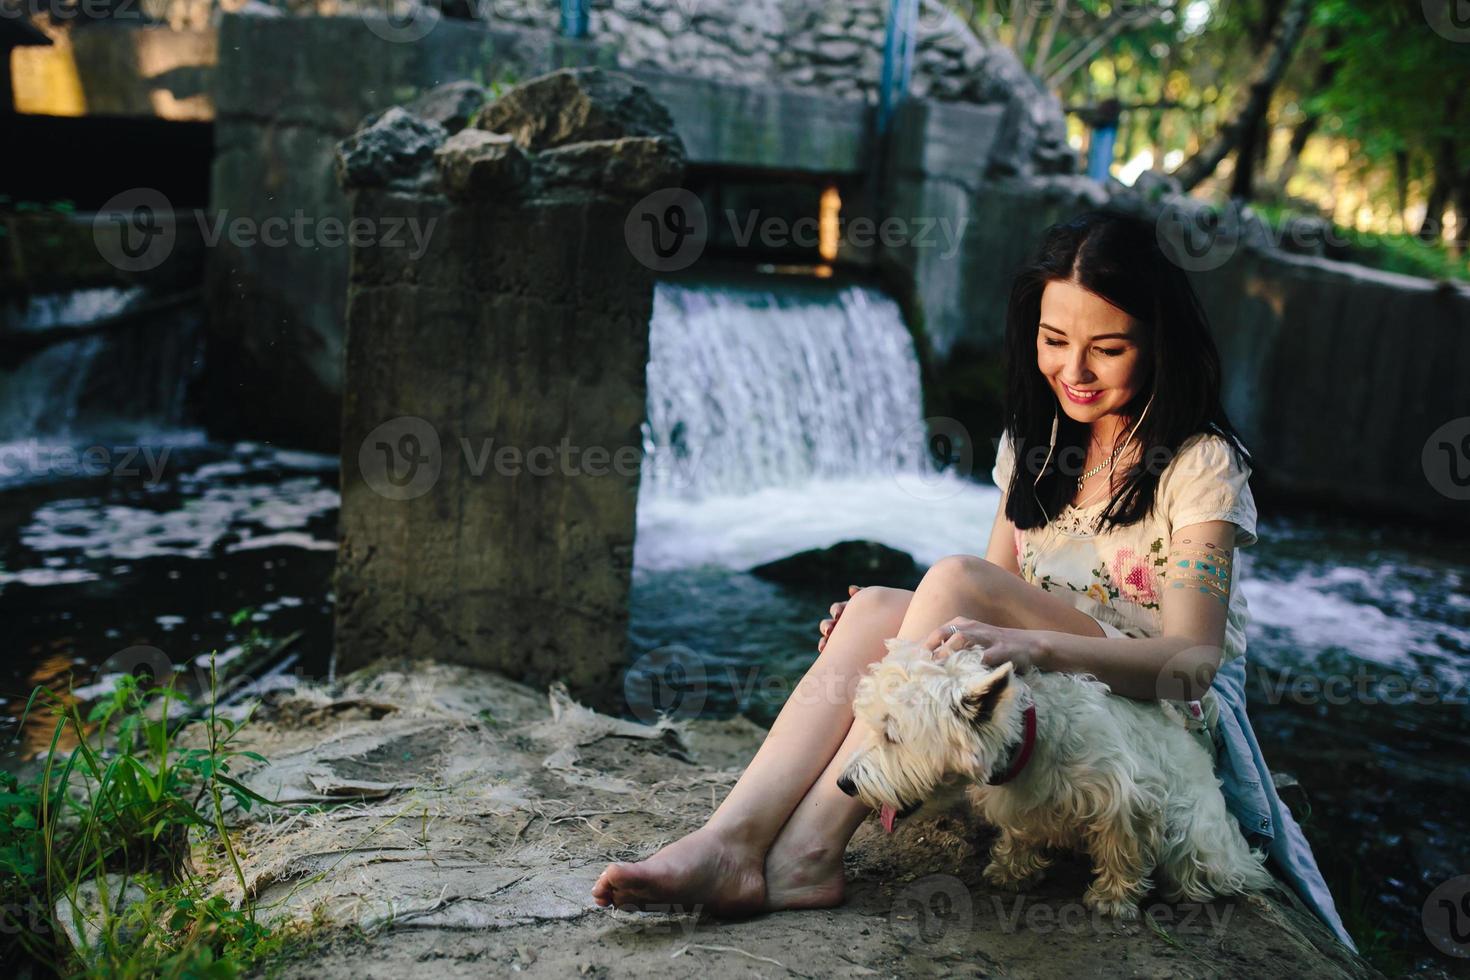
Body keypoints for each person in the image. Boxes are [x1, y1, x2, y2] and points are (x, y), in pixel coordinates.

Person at [591, 209, 1355, 951]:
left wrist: (1025, 644)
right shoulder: (1037, 443)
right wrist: (901, 638)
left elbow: (1192, 664)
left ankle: (811, 850)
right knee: (874, 613)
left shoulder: (1198, 464)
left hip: (1154, 712)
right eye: (1054, 341)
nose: (1074, 371)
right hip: (1056, 695)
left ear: (1159, 343)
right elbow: (992, 588)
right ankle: (731, 840)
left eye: (1109, 348)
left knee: (949, 582)